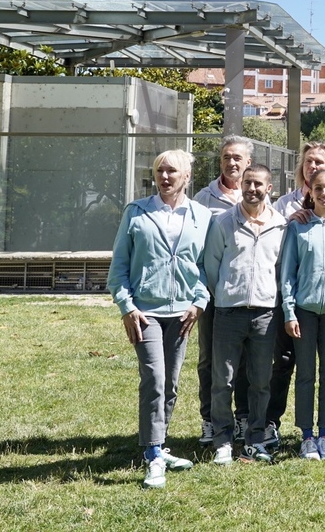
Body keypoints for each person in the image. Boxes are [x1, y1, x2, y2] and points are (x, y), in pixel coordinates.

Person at [108, 150, 211, 489]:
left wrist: (198, 303)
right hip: (146, 313)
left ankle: (159, 443)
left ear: (186, 177)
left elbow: (206, 267)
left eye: (172, 171)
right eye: (160, 171)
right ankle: (153, 454)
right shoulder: (136, 213)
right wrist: (127, 306)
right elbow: (119, 267)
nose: (165, 177)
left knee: (171, 384)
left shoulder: (201, 215)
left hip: (182, 314)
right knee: (154, 378)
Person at [266, 141, 325, 451]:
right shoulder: (296, 224)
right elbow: (287, 273)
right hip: (303, 310)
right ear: (310, 189)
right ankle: (306, 434)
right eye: (318, 188)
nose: (324, 193)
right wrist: (289, 311)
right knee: (304, 373)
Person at [202, 164, 287, 464]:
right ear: (241, 186)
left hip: (266, 314)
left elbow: (281, 268)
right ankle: (223, 439)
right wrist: (225, 292)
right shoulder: (224, 222)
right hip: (228, 312)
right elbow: (211, 265)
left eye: (258, 184)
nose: (252, 189)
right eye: (248, 183)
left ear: (269, 188)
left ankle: (255, 438)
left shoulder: (281, 225)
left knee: (261, 380)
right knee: (222, 380)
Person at [193, 135, 254, 446]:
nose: (232, 163)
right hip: (213, 295)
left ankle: (243, 418)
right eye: (227, 157)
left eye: (237, 158)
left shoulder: (259, 197)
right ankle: (210, 419)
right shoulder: (204, 199)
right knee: (209, 359)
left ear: (248, 163)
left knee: (245, 359)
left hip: (247, 296)